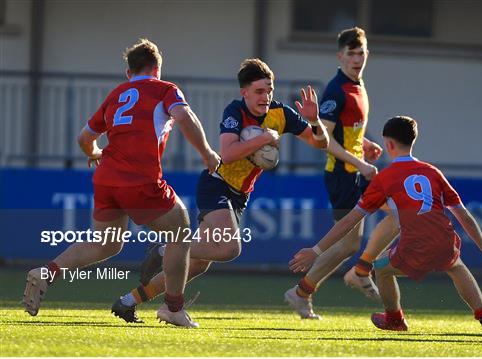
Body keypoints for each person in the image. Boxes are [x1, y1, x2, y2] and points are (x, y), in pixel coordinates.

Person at [110, 58, 329, 323]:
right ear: (244, 92)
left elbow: (320, 143)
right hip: (217, 184)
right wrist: (263, 138)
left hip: (239, 195)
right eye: (259, 91)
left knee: (198, 262)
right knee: (229, 248)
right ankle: (167, 248)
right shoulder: (234, 111)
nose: (266, 96)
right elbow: (227, 152)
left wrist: (315, 121)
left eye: (269, 90)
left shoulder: (281, 114)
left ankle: (131, 302)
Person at [22, 39, 220, 328]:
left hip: (106, 179)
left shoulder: (117, 94)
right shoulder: (165, 89)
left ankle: (48, 271)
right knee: (180, 231)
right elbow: (183, 115)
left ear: (129, 73)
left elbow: (84, 138)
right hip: (139, 179)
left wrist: (94, 154)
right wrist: (207, 153)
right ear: (157, 70)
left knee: (106, 244)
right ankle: (173, 308)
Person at [289, 116, 482, 335]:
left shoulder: (385, 178)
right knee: (457, 267)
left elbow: (349, 220)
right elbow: (465, 217)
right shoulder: (432, 172)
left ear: (388, 144)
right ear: (413, 140)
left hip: (415, 245)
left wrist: (316, 250)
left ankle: (394, 319)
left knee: (382, 268)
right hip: (444, 238)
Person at [284, 27, 399, 319]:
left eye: (361, 52)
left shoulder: (358, 86)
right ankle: (321, 284)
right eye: (351, 53)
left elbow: (350, 133)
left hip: (356, 173)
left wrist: (367, 146)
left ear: (367, 55)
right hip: (342, 175)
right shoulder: (336, 90)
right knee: (359, 237)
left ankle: (336, 279)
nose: (357, 58)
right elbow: (326, 141)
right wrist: (358, 162)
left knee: (389, 220)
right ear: (340, 56)